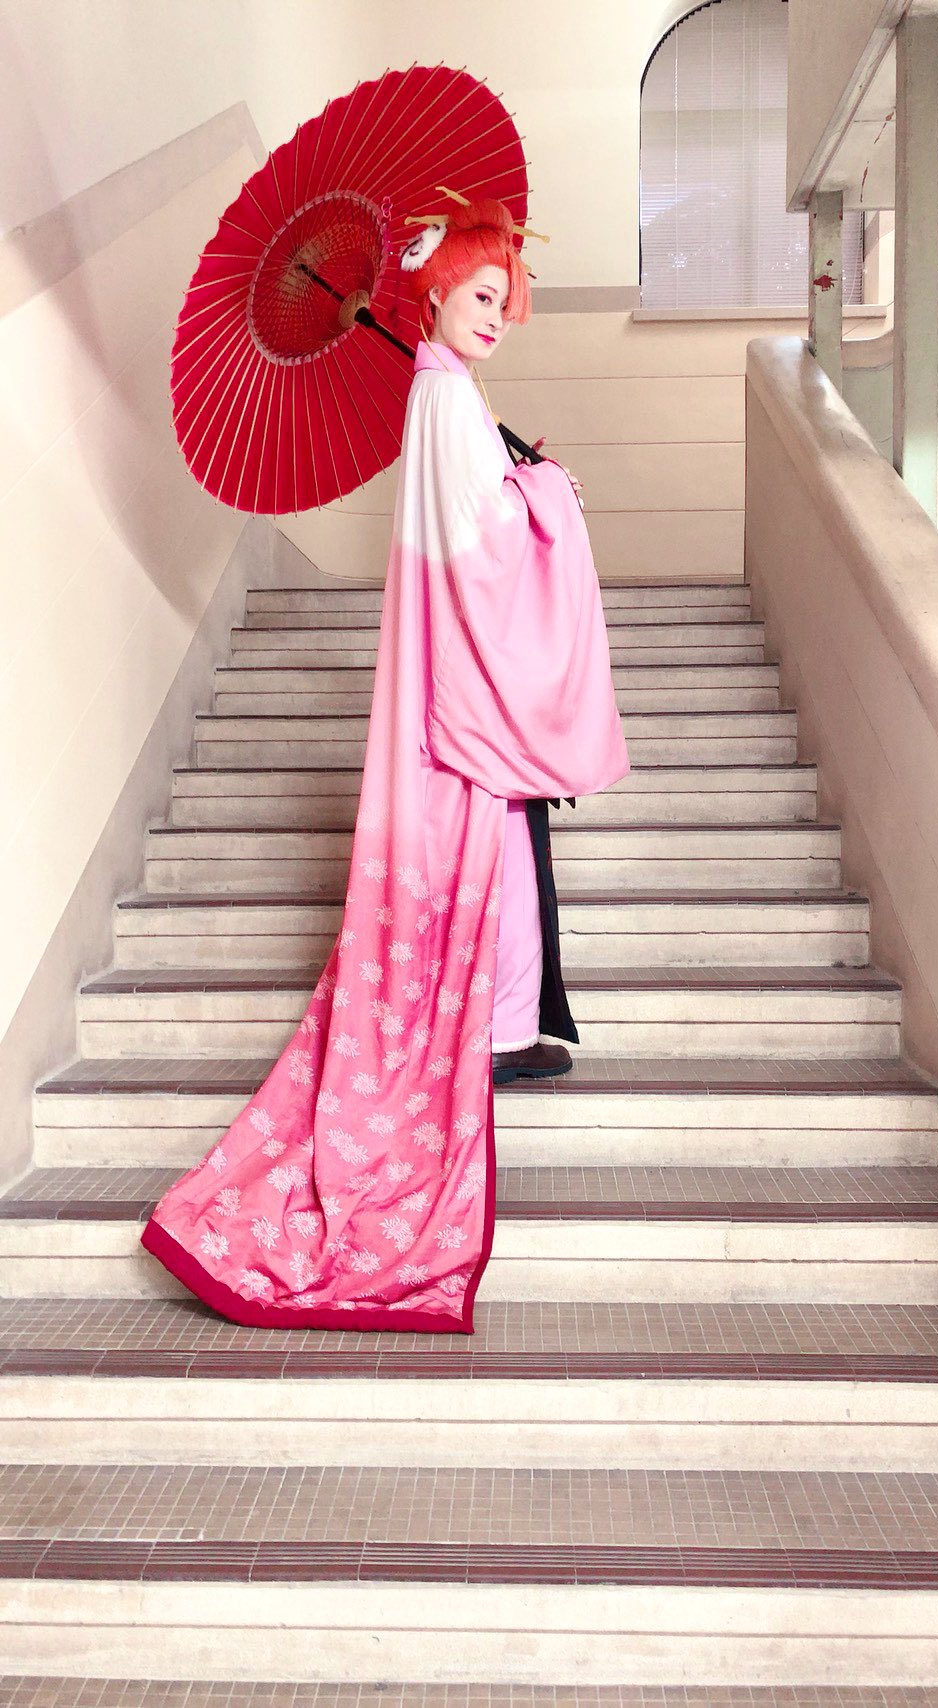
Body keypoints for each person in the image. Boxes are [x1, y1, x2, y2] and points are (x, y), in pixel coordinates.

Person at [141, 191, 628, 1333]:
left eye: (505, 299)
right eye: (479, 295)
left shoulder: (443, 394)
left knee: (505, 849)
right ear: (436, 298)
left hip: (446, 680)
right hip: (459, 693)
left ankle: (501, 1026)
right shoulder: (447, 399)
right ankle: (492, 1031)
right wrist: (546, 493)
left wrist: (522, 476)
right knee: (494, 846)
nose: (495, 314)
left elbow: (475, 517)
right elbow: (488, 548)